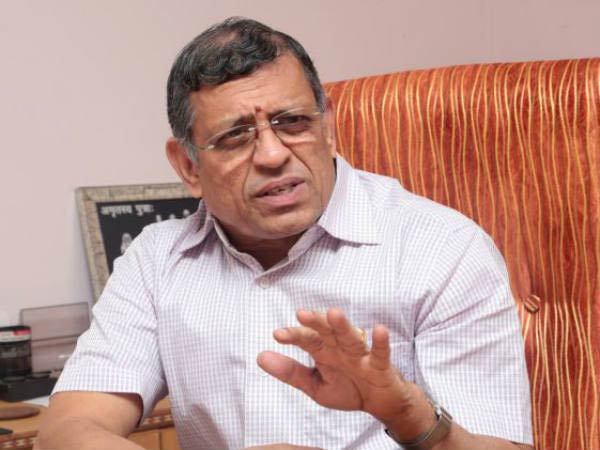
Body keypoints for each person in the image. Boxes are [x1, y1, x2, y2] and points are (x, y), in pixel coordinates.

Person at [36, 17, 534, 450]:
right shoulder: (156, 261)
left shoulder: (441, 248)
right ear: (187, 165)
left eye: (292, 122)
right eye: (235, 136)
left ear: (328, 128)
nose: (273, 155)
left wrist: (410, 415)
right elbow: (67, 430)